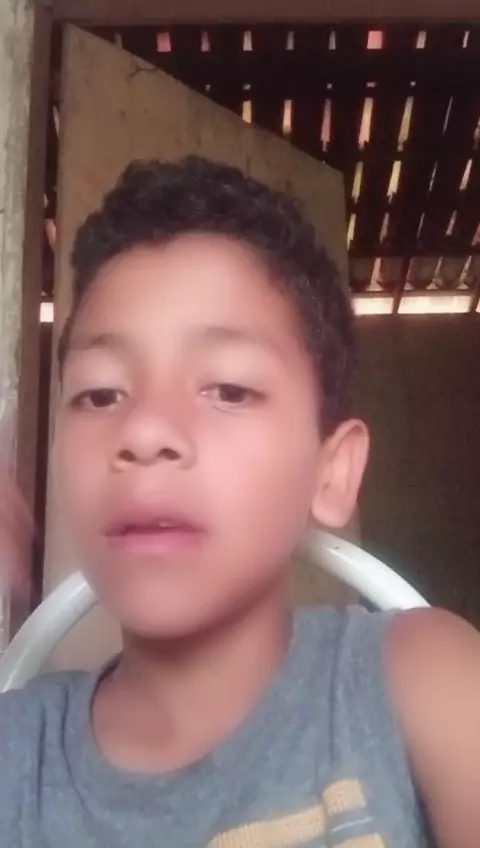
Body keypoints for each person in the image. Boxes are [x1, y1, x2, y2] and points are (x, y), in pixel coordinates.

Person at [1, 157, 480, 848]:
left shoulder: (422, 681)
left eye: (228, 389)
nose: (143, 430)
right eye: (100, 394)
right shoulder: (17, 756)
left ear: (331, 472)